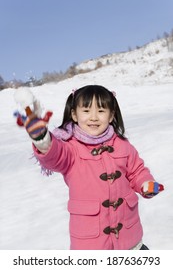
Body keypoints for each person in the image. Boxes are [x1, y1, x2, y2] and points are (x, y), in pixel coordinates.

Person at [15, 85, 164, 250]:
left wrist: (146, 184)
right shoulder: (71, 148)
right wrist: (42, 139)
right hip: (91, 244)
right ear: (74, 114)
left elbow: (137, 171)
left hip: (130, 240)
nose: (93, 117)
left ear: (111, 115)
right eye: (86, 111)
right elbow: (55, 155)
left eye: (101, 111)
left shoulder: (122, 145)